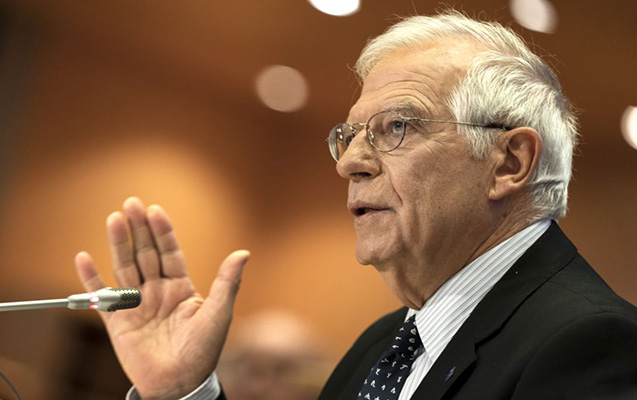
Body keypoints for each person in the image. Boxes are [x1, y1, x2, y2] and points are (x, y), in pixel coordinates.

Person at [73, 10, 637, 400]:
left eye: (397, 127)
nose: (350, 163)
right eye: (349, 136)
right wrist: (182, 391)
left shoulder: (592, 345)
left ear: (509, 162)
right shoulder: (380, 347)